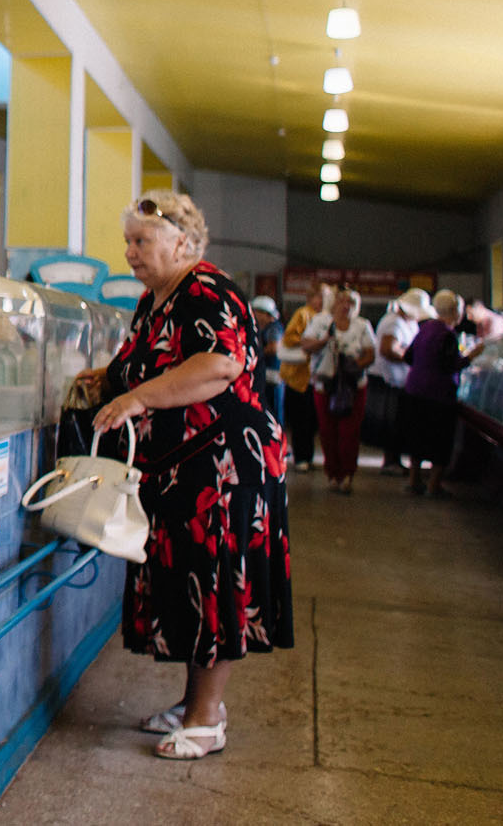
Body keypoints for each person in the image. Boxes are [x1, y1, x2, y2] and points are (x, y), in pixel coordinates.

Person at [83, 191, 293, 761]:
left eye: (142, 241)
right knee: (191, 585)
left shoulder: (206, 290)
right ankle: (195, 703)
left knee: (214, 584)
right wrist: (104, 381)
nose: (131, 252)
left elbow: (219, 364)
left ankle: (206, 719)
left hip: (223, 469)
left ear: (182, 242)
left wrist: (136, 399)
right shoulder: (155, 300)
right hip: (183, 471)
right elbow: (144, 364)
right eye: (128, 241)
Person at [400, 289, 474, 498]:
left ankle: (414, 479)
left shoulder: (425, 328)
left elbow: (408, 356)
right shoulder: (447, 335)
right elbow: (450, 365)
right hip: (439, 395)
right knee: (440, 440)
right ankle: (434, 484)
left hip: (415, 390)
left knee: (418, 437)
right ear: (455, 311)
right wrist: (471, 357)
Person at [303, 287, 377, 494]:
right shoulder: (320, 321)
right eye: (341, 301)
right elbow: (306, 345)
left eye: (350, 302)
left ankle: (347, 473)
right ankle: (332, 473)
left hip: (353, 386)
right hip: (325, 384)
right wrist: (324, 341)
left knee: (349, 431)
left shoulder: (362, 325)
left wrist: (352, 367)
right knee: (327, 430)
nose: (346, 306)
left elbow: (370, 353)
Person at [373, 288, 433, 474]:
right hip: (391, 380)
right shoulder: (394, 323)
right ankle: (390, 461)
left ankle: (395, 460)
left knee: (397, 423)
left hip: (399, 380)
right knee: (393, 422)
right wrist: (411, 357)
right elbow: (388, 350)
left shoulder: (405, 322)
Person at [278, 283, 328, 471]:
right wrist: (312, 342)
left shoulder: (326, 316)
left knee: (312, 421)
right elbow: (289, 338)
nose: (322, 301)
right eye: (319, 296)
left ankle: (308, 456)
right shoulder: (303, 314)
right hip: (299, 377)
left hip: (316, 377)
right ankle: (301, 458)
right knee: (300, 420)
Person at [250, 295, 284, 427]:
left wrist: (255, 354)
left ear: (265, 313)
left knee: (274, 413)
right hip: (266, 376)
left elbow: (274, 348)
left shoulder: (274, 328)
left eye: (256, 312)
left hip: (274, 377)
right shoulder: (265, 327)